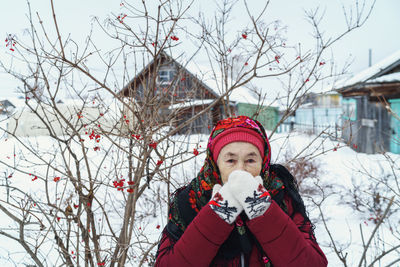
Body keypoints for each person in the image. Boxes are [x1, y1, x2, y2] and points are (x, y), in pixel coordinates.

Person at [155, 116, 327, 266]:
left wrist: (261, 208)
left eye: (250, 160)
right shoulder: (190, 201)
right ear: (215, 163)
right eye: (230, 160)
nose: (240, 170)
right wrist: (218, 212)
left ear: (263, 162)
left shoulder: (282, 197)